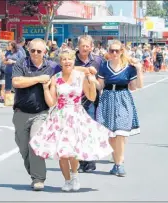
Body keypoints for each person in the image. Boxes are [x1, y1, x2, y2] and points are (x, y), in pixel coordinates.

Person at [29, 49, 113, 192]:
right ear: (60, 62)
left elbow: (91, 97)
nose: (67, 61)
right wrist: (45, 88)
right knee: (62, 152)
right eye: (64, 59)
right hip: (60, 116)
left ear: (73, 61)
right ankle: (67, 180)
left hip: (76, 115)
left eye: (69, 59)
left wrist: (91, 82)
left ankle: (74, 176)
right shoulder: (56, 77)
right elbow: (51, 103)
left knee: (73, 151)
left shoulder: (81, 76)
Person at [12, 38, 61, 191]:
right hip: (20, 112)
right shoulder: (21, 63)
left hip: (41, 113)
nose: (35, 53)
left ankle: (38, 178)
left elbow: (68, 67)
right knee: (23, 148)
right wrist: (39, 79)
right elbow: (16, 82)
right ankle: (34, 173)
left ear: (45, 52)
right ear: (28, 50)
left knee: (35, 142)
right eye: (32, 50)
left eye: (39, 51)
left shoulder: (51, 66)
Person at [96, 40, 143, 177]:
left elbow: (135, 86)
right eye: (112, 51)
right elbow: (100, 86)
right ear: (108, 52)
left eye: (117, 50)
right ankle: (116, 161)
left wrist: (139, 69)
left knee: (121, 133)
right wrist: (89, 79)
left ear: (122, 51)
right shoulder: (104, 66)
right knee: (111, 136)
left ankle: (119, 164)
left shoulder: (129, 68)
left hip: (123, 98)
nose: (114, 53)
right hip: (108, 98)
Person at [74, 35, 103, 173]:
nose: (85, 48)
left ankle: (90, 161)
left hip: (91, 100)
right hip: (74, 100)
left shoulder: (97, 60)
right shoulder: (71, 59)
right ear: (78, 46)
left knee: (89, 130)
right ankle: (82, 161)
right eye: (82, 45)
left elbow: (102, 80)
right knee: (77, 132)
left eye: (87, 46)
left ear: (92, 47)